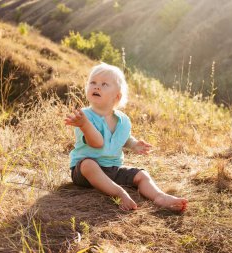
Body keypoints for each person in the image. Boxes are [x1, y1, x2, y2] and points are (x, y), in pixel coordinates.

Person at [64, 62, 188, 212]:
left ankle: (159, 196)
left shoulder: (122, 120)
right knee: (88, 164)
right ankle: (119, 192)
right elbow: (96, 143)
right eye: (93, 82)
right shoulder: (83, 117)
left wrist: (134, 144)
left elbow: (123, 137)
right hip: (85, 173)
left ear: (117, 96)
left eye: (104, 84)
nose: (97, 87)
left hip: (112, 170)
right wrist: (84, 125)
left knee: (141, 174)